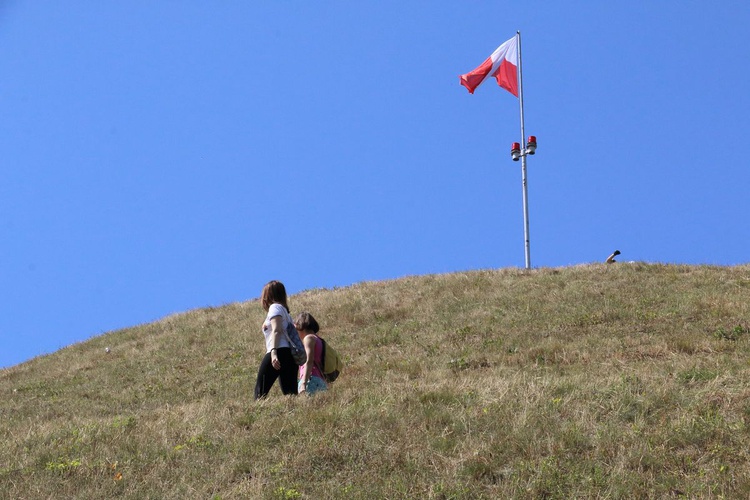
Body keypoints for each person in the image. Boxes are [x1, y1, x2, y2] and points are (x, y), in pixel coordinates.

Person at [254, 280, 298, 399]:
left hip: (278, 350)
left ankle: (257, 413)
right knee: (290, 393)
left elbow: (276, 330)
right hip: (289, 355)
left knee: (260, 391)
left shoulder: (275, 308)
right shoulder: (286, 313)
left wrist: (273, 352)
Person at [294, 311, 328, 396]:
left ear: (300, 325)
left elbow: (309, 360)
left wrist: (303, 383)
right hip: (321, 381)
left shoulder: (308, 339)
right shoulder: (318, 339)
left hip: (311, 380)